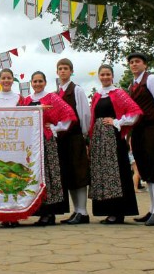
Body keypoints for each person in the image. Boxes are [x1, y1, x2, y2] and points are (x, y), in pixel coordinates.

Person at [88, 64, 142, 224]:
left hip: (112, 138)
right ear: (99, 76)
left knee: (116, 173)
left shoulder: (119, 93)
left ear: (112, 76)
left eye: (107, 74)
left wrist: (117, 121)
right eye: (102, 74)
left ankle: (118, 212)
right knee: (103, 173)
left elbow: (135, 112)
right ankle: (107, 210)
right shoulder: (97, 95)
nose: (105, 77)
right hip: (99, 139)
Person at [22, 71, 76, 226]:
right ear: (31, 83)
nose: (37, 84)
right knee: (35, 175)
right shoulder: (26, 100)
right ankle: (39, 212)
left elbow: (68, 115)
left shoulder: (52, 97)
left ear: (45, 83)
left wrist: (55, 127)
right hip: (32, 143)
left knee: (48, 175)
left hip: (46, 141)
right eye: (35, 81)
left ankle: (50, 212)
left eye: (40, 81)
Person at [127, 52, 154, 226]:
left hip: (153, 128)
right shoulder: (132, 85)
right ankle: (152, 209)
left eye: (137, 61)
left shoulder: (152, 80)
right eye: (131, 62)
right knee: (145, 168)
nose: (134, 64)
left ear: (145, 64)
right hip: (138, 130)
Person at [0, 68, 25, 228]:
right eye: (3, 78)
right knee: (0, 176)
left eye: (9, 78)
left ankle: (15, 215)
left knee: (15, 177)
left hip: (16, 144)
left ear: (13, 80)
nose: (6, 81)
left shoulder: (20, 98)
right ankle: (1, 213)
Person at [55, 58, 91, 224]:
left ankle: (83, 212)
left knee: (79, 173)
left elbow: (84, 113)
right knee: (68, 174)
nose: (63, 71)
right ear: (57, 72)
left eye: (66, 69)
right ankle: (76, 210)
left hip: (75, 136)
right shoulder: (56, 94)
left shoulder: (77, 90)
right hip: (62, 139)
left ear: (71, 71)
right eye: (60, 69)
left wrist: (83, 134)